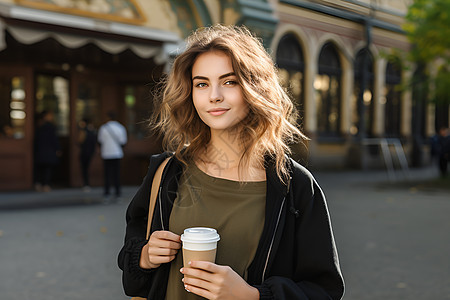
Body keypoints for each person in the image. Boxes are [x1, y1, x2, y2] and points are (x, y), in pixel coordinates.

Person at [118, 25, 344, 299]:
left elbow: (324, 290)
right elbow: (133, 246)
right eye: (202, 84)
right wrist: (145, 255)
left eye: (229, 81)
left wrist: (253, 295)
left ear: (254, 88)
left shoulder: (294, 186)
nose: (214, 95)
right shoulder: (167, 171)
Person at [97, 111, 127, 201]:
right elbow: (123, 142)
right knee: (116, 174)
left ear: (107, 117)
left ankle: (107, 193)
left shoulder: (103, 128)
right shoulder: (121, 128)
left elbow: (100, 141)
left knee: (107, 174)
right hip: (117, 153)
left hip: (106, 153)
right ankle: (118, 193)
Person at [34, 110, 61, 192]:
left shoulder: (40, 125)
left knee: (41, 168)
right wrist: (58, 149)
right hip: (48, 150)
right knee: (46, 168)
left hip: (41, 150)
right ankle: (45, 185)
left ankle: (39, 184)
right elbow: (54, 139)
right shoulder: (49, 126)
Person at [78, 118, 97, 191]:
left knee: (84, 168)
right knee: (86, 168)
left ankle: (86, 184)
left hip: (85, 152)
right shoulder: (92, 131)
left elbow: (80, 141)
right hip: (90, 152)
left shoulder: (83, 131)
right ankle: (87, 184)